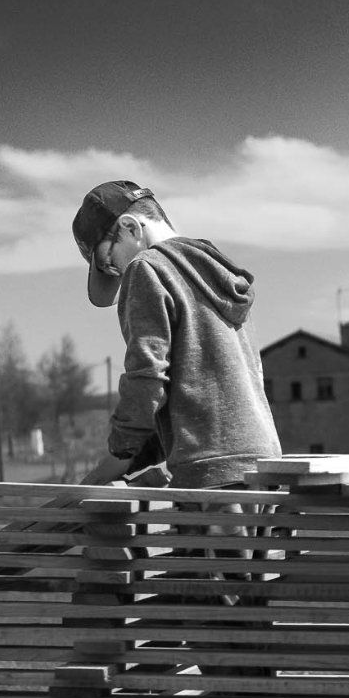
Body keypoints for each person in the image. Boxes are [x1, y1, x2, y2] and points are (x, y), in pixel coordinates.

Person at [73, 180, 281, 488]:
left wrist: (121, 449)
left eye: (109, 261)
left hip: (212, 474)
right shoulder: (221, 275)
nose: (117, 272)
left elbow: (147, 376)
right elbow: (215, 386)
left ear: (130, 228)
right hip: (265, 464)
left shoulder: (147, 268)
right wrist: (146, 450)